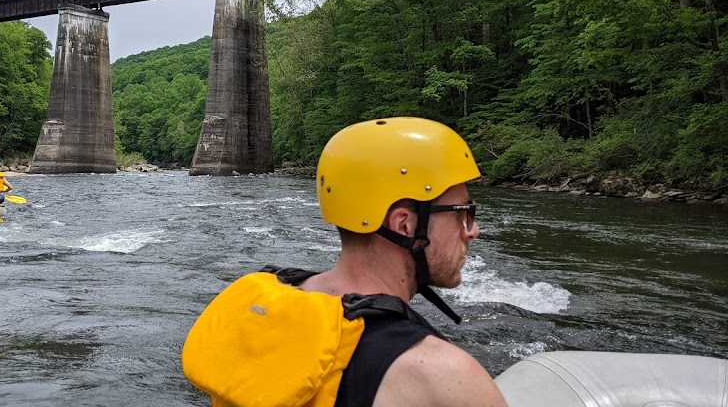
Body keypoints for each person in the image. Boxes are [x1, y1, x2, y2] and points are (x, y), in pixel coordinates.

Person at [182, 117, 508, 407]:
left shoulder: (263, 307)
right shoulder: (446, 376)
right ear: (405, 224)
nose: (473, 230)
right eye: (463, 213)